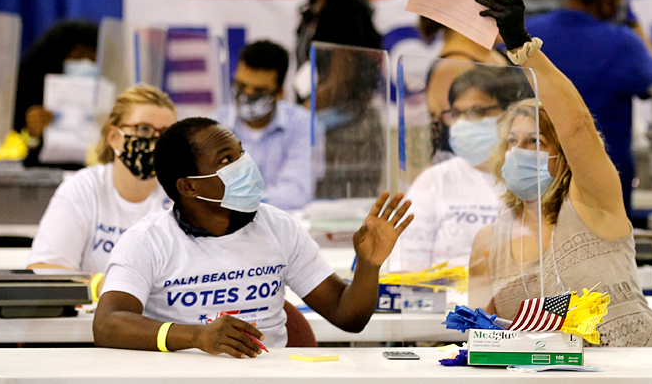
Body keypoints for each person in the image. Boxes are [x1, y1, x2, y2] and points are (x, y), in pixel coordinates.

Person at [469, 0, 652, 347]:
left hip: (639, 372)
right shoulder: (488, 243)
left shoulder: (593, 204)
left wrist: (521, 44)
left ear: (562, 157)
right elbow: (483, 340)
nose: (520, 151)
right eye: (513, 142)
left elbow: (577, 125)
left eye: (535, 141)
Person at [93, 117, 412, 355]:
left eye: (241, 153)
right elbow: (108, 323)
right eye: (226, 160)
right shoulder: (147, 241)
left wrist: (369, 266)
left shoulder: (278, 227)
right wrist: (196, 336)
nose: (244, 165)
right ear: (189, 186)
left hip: (273, 378)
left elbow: (348, 316)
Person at [525, 0, 652, 219]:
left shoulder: (529, 34)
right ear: (607, 0)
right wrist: (639, 34)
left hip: (536, 189)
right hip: (603, 200)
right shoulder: (624, 44)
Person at [389, 66, 532, 271]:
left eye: (477, 112)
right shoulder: (435, 179)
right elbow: (407, 265)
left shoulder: (534, 177)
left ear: (512, 113)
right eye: (456, 113)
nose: (464, 123)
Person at [28, 85, 176, 281]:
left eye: (166, 133)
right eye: (144, 129)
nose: (156, 140)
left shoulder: (180, 195)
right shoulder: (83, 188)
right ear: (114, 137)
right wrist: (107, 288)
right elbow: (43, 269)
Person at [218, 40, 312, 211]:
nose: (247, 95)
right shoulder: (214, 125)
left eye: (259, 90)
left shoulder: (301, 123)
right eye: (241, 86)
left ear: (280, 93)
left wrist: (232, 200)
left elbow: (296, 193)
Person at [419, 16, 510, 160]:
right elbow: (466, 144)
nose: (509, 13)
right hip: (475, 175)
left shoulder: (500, 56)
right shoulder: (454, 65)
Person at [12, 20, 100, 169]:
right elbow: (10, 149)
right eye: (77, 57)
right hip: (43, 176)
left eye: (92, 58)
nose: (85, 63)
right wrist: (31, 135)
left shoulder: (112, 97)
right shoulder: (28, 94)